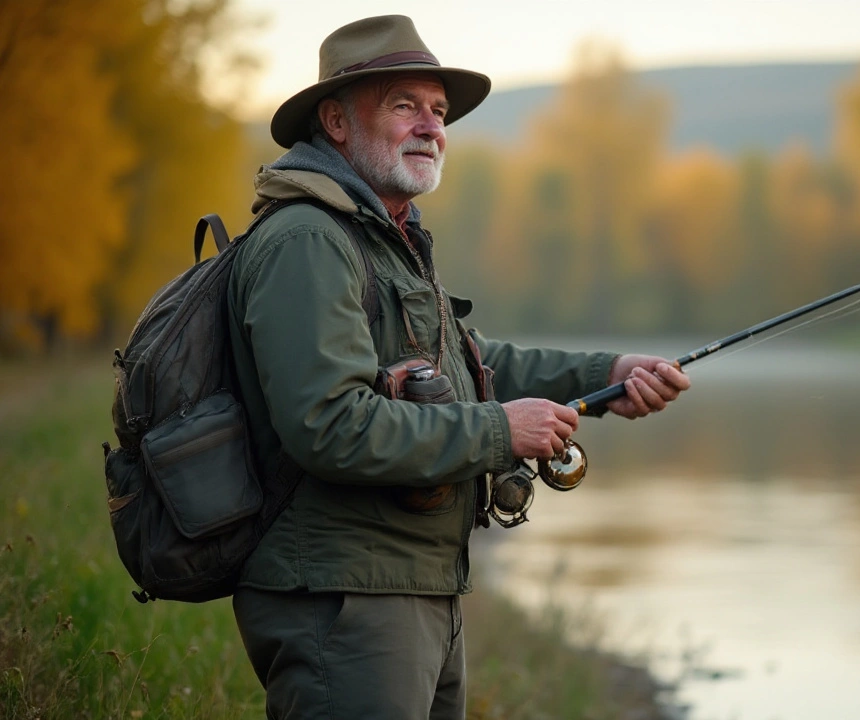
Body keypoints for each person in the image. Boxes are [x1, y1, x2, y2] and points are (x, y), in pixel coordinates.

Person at [225, 14, 690, 719]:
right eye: (404, 105)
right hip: (346, 602)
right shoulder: (308, 241)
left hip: (413, 589)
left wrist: (609, 371)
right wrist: (502, 433)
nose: (431, 127)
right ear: (336, 121)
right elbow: (330, 425)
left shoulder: (381, 236)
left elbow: (476, 364)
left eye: (439, 112)